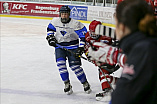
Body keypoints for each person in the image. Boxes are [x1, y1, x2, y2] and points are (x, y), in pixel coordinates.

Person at [88, 0, 157, 103]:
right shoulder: (148, 46)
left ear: (122, 26)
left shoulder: (144, 50)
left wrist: (117, 56)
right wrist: (118, 57)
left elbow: (123, 97)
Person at [46, 5, 91, 95]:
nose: (64, 16)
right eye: (62, 14)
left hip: (73, 47)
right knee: (61, 65)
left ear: (69, 14)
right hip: (60, 47)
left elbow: (83, 36)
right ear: (60, 14)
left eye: (66, 14)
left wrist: (81, 47)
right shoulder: (55, 21)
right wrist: (50, 37)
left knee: (75, 67)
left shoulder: (76, 24)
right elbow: (50, 29)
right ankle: (67, 84)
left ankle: (84, 82)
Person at [84, 20, 123, 101]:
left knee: (103, 72)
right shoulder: (88, 36)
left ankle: (107, 91)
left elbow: (120, 41)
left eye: (95, 32)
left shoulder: (107, 34)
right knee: (103, 75)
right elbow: (87, 48)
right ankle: (121, 82)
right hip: (99, 58)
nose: (93, 34)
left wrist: (116, 45)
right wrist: (89, 55)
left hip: (111, 57)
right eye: (92, 32)